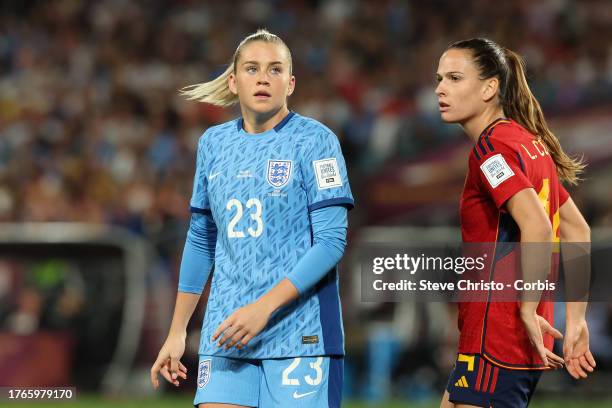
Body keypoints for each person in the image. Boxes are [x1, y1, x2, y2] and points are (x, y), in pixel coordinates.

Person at [149, 29, 353, 408]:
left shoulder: (315, 140)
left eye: (275, 69)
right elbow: (200, 239)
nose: (263, 78)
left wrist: (263, 309)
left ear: (291, 83)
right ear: (233, 80)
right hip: (226, 333)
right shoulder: (213, 143)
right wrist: (177, 331)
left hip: (300, 334)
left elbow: (331, 241)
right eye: (252, 68)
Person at [434, 38, 596, 408]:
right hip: (503, 337)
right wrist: (576, 320)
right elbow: (577, 229)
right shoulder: (528, 143)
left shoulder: (492, 149)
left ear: (490, 87)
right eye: (440, 78)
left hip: (498, 334)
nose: (440, 88)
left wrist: (526, 308)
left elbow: (537, 225)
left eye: (455, 78)